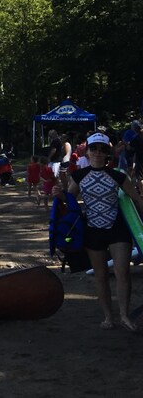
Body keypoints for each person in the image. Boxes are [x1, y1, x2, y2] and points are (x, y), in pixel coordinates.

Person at [53, 133, 143, 331]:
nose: (98, 153)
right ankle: (108, 317)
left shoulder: (118, 175)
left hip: (117, 229)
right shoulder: (79, 176)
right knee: (101, 275)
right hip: (92, 229)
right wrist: (60, 196)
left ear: (107, 153)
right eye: (94, 148)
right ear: (88, 150)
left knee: (122, 273)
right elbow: (71, 203)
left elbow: (137, 199)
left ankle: (125, 316)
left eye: (102, 149)